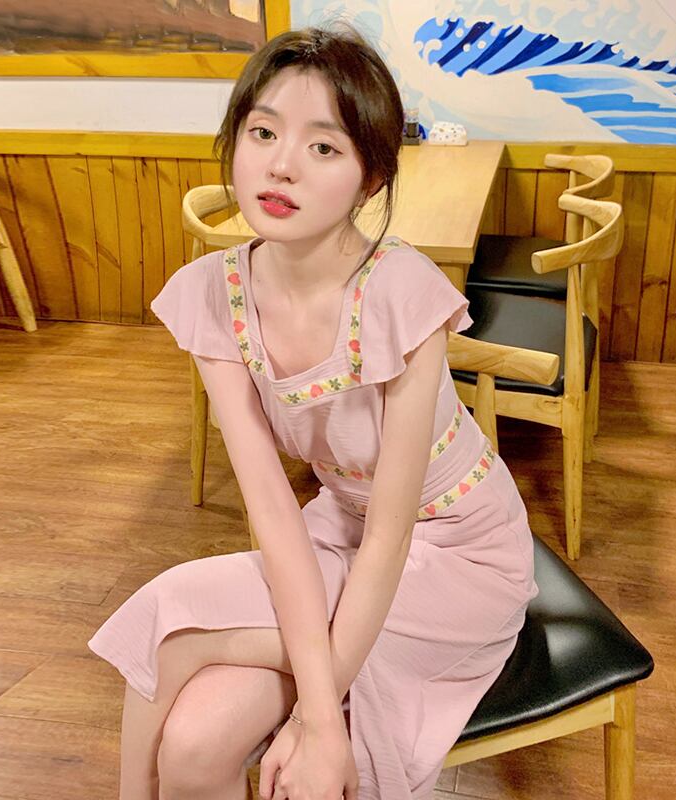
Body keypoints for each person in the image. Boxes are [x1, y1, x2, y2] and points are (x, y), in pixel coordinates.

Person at [88, 24, 538, 800]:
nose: (282, 164)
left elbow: (392, 535)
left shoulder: (402, 292)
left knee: (171, 625)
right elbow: (272, 509)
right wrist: (320, 714)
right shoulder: (212, 294)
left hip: (457, 556)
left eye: (323, 146)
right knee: (193, 744)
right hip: (338, 531)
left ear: (370, 180)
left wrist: (317, 720)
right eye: (263, 132)